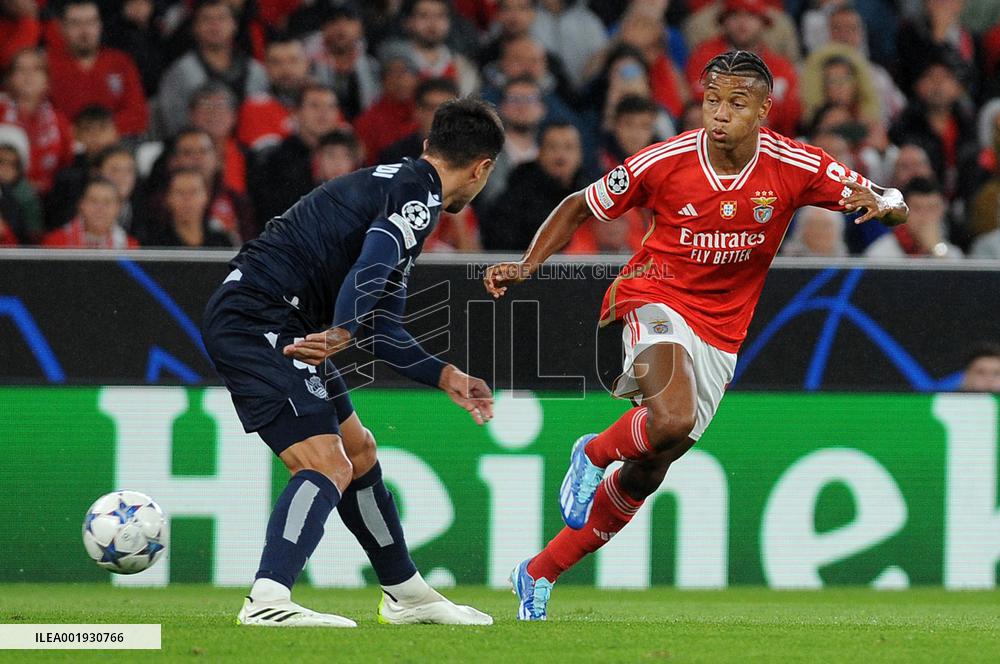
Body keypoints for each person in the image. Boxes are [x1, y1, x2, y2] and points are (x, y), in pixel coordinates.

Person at [483, 51, 909, 620]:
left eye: (736, 102)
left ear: (763, 110)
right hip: (652, 296)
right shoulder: (667, 160)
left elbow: (897, 201)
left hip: (722, 334)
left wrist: (882, 204)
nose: (720, 113)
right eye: (712, 99)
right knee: (672, 418)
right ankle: (590, 451)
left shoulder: (798, 165)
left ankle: (538, 572)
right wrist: (527, 264)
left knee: (651, 467)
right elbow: (579, 205)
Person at [200, 98, 504, 627]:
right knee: (327, 462)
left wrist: (444, 374)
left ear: (429, 145)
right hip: (258, 320)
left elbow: (381, 325)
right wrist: (341, 329)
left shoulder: (402, 187)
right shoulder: (417, 195)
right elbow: (373, 263)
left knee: (358, 450)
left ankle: (405, 593)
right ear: (483, 169)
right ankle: (267, 599)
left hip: (283, 321)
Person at [157, 0, 268, 138]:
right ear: (195, 28)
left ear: (235, 25)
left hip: (248, 150)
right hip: (198, 151)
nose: (215, 25)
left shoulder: (256, 71)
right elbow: (174, 122)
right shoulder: (180, 73)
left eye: (221, 18)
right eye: (206, 19)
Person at [47, 0, 148, 137]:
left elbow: (138, 114)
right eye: (75, 23)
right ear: (61, 27)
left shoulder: (120, 62)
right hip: (66, 145)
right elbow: (43, 114)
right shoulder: (47, 65)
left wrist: (99, 133)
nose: (85, 31)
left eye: (91, 22)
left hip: (116, 143)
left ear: (100, 25)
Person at [480, 121, 586, 250]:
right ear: (539, 153)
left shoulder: (593, 192)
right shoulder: (516, 197)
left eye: (568, 147)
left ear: (580, 154)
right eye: (553, 147)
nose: (560, 156)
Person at [864, 177, 961, 259]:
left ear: (942, 211)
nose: (925, 216)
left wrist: (935, 249)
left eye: (932, 208)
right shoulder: (880, 254)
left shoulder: (953, 255)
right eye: (917, 208)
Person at [145, 169, 235, 248]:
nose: (187, 199)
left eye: (194, 192)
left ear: (206, 196)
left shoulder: (222, 242)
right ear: (168, 198)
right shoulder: (154, 244)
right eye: (180, 192)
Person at [42, 177, 138, 248]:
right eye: (93, 201)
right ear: (81, 205)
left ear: (118, 208)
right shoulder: (55, 242)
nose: (100, 209)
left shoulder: (130, 246)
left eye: (107, 202)